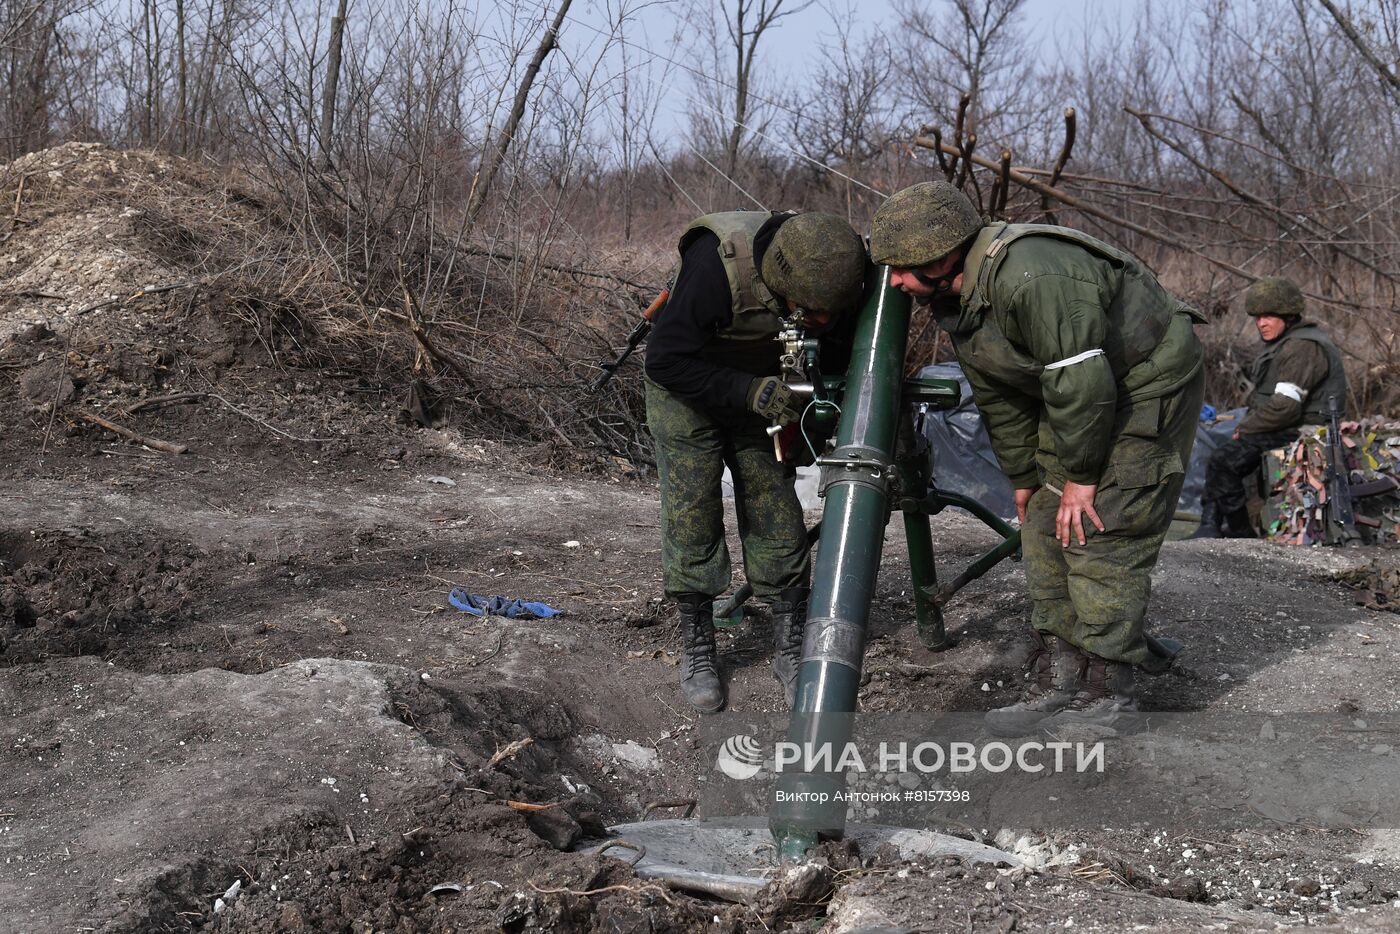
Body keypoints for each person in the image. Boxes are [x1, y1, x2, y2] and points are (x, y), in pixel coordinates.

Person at [870, 180, 1206, 735]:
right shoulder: (956, 296)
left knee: (1104, 527)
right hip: (1080, 389)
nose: (897, 282)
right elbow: (1001, 395)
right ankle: (1064, 683)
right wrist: (1025, 475)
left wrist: (1080, 477)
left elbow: (1082, 380)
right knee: (1044, 529)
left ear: (944, 253)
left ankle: (1111, 695)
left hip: (1145, 383)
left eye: (903, 267)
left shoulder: (1033, 274)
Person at [644, 210, 867, 714]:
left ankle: (790, 640)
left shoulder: (834, 269)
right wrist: (744, 391)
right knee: (692, 506)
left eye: (829, 311)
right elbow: (663, 359)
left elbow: (835, 349)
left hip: (763, 387)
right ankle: (699, 644)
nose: (823, 320)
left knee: (776, 506)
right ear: (780, 280)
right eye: (810, 310)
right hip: (686, 387)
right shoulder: (714, 271)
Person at [1191, 277, 1348, 539]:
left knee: (1224, 459)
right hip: (1286, 425)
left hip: (1304, 432)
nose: (1261, 323)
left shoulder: (1302, 347)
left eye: (1268, 317)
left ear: (1288, 316)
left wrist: (1246, 427)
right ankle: (1211, 524)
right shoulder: (1286, 342)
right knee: (1221, 451)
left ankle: (1240, 533)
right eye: (1258, 317)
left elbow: (1286, 407)